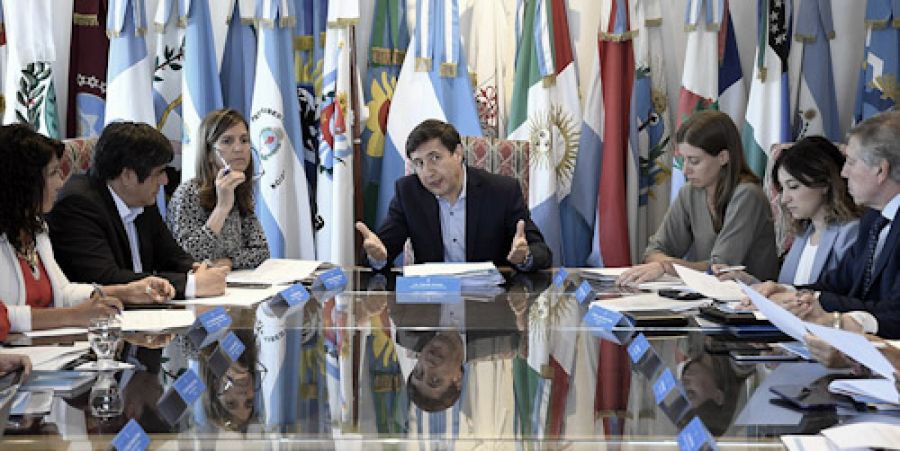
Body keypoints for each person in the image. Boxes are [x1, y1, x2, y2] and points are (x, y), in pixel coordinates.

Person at [0, 124, 171, 333]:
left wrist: (125, 292)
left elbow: (63, 293)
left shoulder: (35, 228)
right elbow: (3, 315)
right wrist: (72, 316)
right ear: (23, 182)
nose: (60, 182)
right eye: (53, 173)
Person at [48, 122, 227, 299]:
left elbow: (171, 256)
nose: (165, 180)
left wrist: (197, 269)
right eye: (159, 172)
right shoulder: (77, 204)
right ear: (128, 176)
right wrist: (190, 284)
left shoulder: (141, 197)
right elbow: (104, 278)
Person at [764, 111, 900, 338]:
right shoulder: (873, 220)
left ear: (880, 170)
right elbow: (838, 283)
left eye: (851, 162)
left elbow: (896, 313)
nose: (844, 173)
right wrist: (789, 292)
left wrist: (831, 315)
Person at [355, 119, 551, 270]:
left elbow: (541, 251)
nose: (428, 172)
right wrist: (377, 258)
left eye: (435, 158)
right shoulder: (408, 193)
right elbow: (381, 250)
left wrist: (525, 256)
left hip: (489, 301)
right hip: (432, 300)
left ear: (457, 153)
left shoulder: (502, 192)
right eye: (419, 163)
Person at [617, 110, 778, 285]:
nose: (685, 170)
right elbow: (654, 251)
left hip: (751, 297)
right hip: (709, 294)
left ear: (723, 157)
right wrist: (663, 263)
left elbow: (720, 268)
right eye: (683, 160)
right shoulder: (690, 192)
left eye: (694, 161)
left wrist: (666, 266)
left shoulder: (748, 195)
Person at [719, 137, 861, 285]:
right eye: (782, 188)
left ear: (825, 183)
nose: (784, 199)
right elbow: (787, 291)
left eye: (793, 186)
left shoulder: (850, 234)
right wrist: (747, 282)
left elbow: (832, 296)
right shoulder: (804, 233)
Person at [166, 109, 269, 270]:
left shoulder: (238, 189)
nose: (238, 148)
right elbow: (186, 257)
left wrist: (230, 261)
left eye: (244, 140)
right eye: (227, 141)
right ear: (209, 153)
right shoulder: (188, 193)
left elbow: (261, 251)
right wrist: (222, 208)